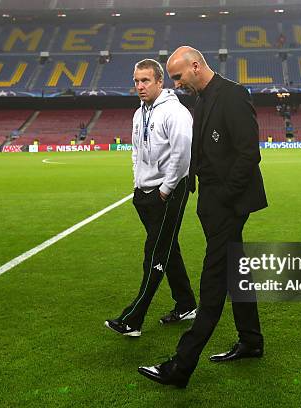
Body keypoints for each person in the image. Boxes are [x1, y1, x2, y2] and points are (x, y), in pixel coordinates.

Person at [138, 46, 268, 388]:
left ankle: (180, 366)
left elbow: (248, 154)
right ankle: (251, 341)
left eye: (179, 76)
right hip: (211, 202)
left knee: (212, 285)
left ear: (196, 66)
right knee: (237, 271)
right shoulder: (201, 98)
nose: (176, 84)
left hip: (228, 205)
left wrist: (224, 198)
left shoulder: (233, 95)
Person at [104, 58, 197, 337]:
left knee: (154, 252)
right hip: (144, 193)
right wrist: (137, 183)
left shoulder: (175, 112)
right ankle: (187, 304)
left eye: (145, 81)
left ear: (160, 81)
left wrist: (165, 190)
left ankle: (133, 320)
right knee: (169, 249)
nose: (140, 86)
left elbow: (182, 156)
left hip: (168, 192)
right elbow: (135, 152)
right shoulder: (138, 113)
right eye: (136, 81)